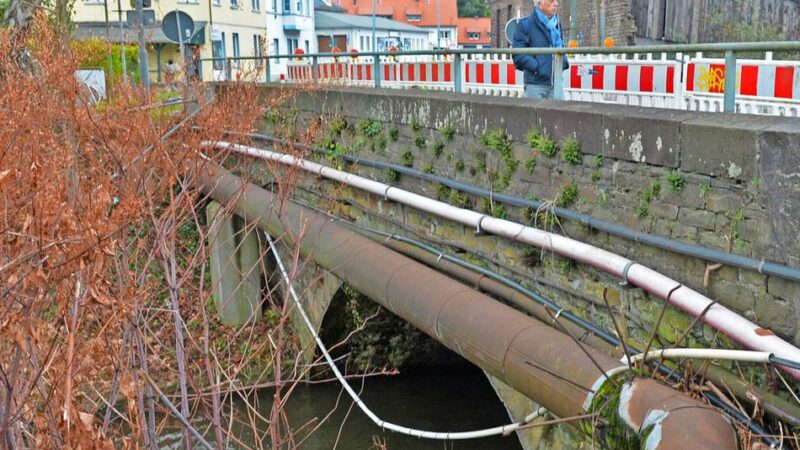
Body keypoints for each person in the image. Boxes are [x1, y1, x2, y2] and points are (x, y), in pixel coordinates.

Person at [512, 0, 569, 99]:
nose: (556, 3)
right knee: (535, 114)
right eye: (551, 1)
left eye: (556, 1)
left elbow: (560, 47)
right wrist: (536, 67)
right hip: (535, 84)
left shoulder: (556, 23)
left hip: (557, 82)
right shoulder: (526, 24)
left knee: (559, 114)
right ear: (540, 4)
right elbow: (518, 54)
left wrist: (563, 62)